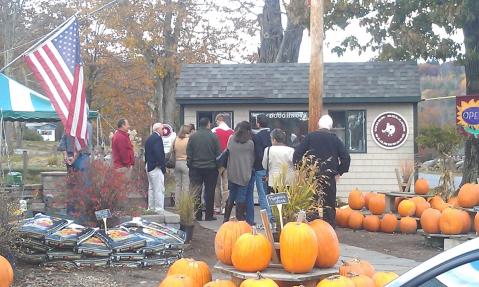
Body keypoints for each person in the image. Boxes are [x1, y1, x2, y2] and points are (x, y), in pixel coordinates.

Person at [293, 115, 351, 227]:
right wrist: (339, 172)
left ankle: (312, 227)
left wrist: (301, 170)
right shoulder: (335, 139)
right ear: (331, 127)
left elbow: (297, 155)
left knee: (311, 203)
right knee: (329, 204)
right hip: (329, 177)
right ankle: (329, 229)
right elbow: (346, 157)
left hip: (311, 176)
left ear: (319, 125)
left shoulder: (310, 137)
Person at [187, 117, 221, 221]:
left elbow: (189, 152)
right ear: (208, 124)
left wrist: (190, 164)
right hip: (211, 168)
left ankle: (197, 214)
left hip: (195, 168)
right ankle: (209, 215)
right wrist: (217, 166)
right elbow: (218, 153)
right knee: (209, 192)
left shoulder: (193, 137)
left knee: (196, 191)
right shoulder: (214, 137)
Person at [224, 121, 255, 224]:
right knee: (241, 197)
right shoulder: (250, 144)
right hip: (245, 174)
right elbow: (252, 158)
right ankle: (240, 219)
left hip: (232, 173)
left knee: (231, 195)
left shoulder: (231, 140)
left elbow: (228, 152)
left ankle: (226, 218)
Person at [252, 114, 273, 222]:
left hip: (260, 168)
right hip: (274, 168)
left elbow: (258, 154)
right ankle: (275, 216)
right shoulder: (273, 135)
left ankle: (268, 219)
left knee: (263, 194)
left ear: (258, 123)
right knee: (272, 193)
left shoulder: (257, 137)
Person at [212, 114, 234, 215]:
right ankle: (225, 206)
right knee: (226, 185)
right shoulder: (232, 132)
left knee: (217, 185)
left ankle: (217, 207)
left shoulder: (214, 131)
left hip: (217, 161)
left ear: (217, 120)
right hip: (228, 161)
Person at [144, 123, 167, 212]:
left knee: (151, 188)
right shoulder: (157, 138)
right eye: (162, 128)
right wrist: (163, 166)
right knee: (159, 188)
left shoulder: (149, 138)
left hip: (149, 165)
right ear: (157, 129)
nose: (163, 130)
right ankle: (159, 209)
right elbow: (159, 153)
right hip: (155, 166)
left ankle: (151, 207)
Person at [173, 125, 192, 203]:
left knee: (178, 185)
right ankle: (184, 203)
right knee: (186, 185)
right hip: (185, 163)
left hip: (177, 162)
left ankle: (177, 203)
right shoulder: (188, 140)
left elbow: (172, 150)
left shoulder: (176, 139)